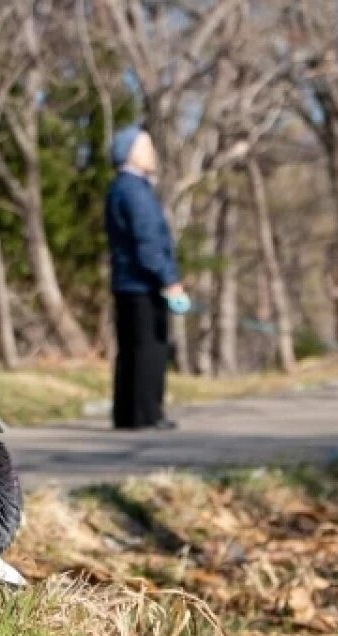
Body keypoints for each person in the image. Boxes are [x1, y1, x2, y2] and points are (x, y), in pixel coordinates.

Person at [104, 126, 191, 430]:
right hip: (143, 284)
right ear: (131, 153)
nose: (152, 152)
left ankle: (128, 416)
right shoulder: (134, 191)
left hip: (128, 282)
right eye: (147, 146)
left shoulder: (123, 188)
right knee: (149, 349)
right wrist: (170, 281)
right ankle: (147, 415)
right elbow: (148, 242)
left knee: (131, 349)